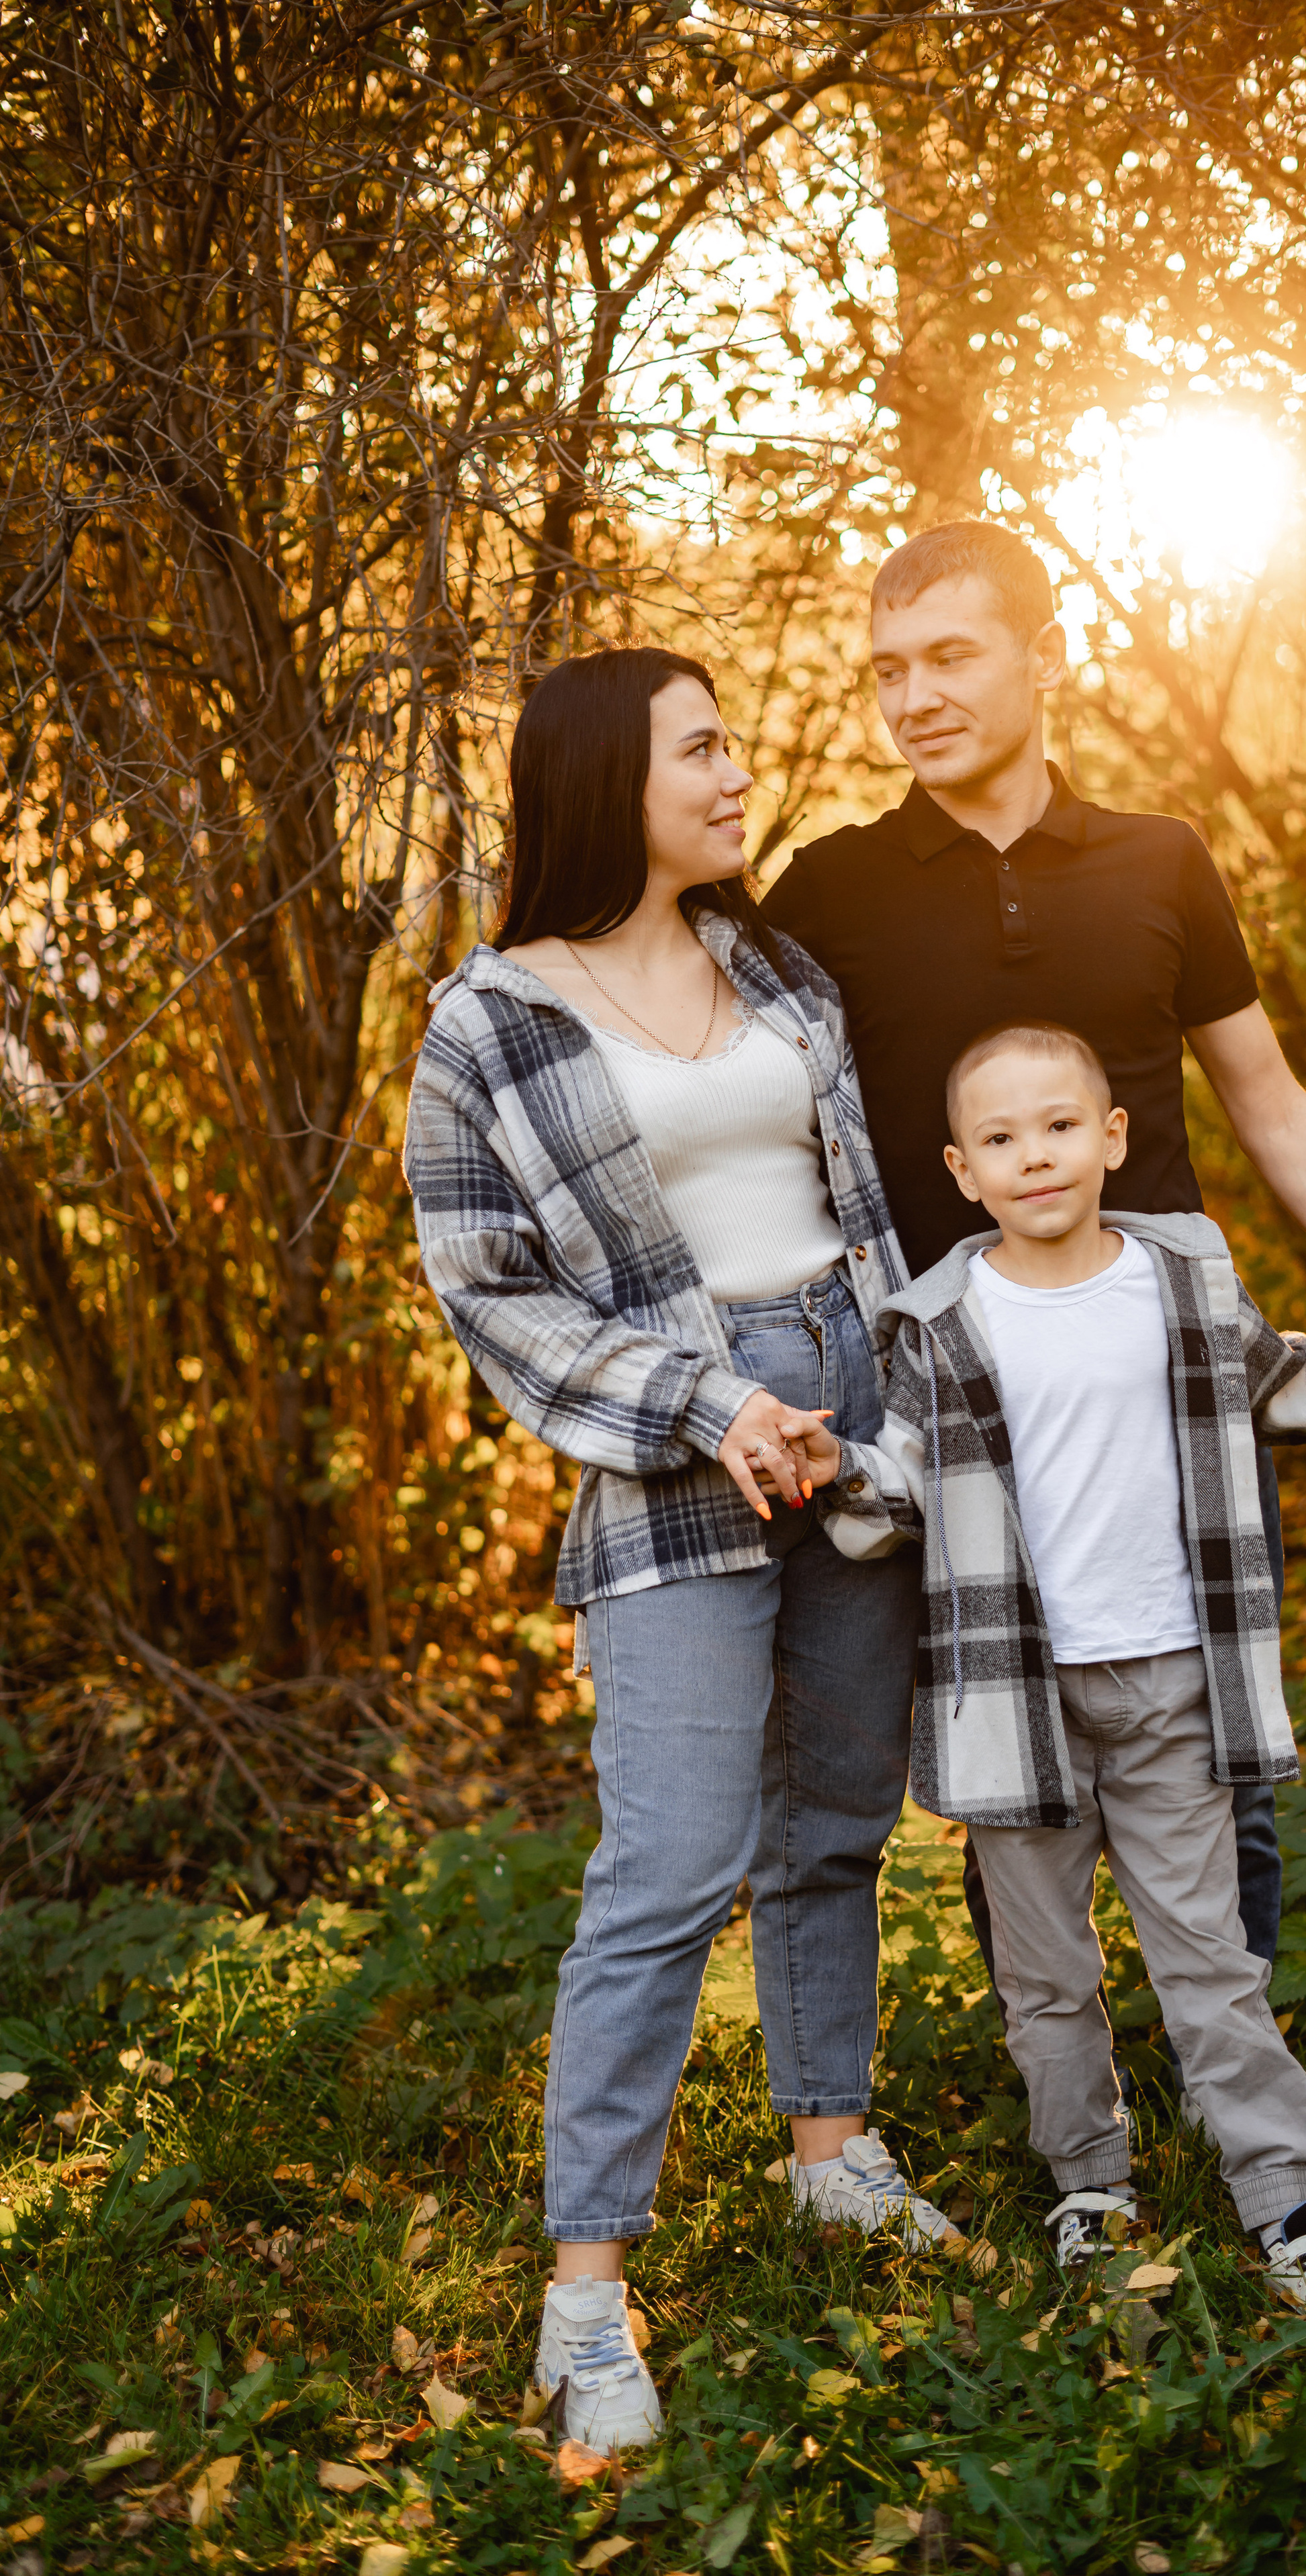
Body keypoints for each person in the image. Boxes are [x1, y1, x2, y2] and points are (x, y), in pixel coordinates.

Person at [762, 518, 1306, 2016]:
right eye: (887, 671)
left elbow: (1266, 1097)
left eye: (950, 656)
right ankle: (1068, 2106)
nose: (913, 695)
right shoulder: (830, 891)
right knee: (1005, 1735)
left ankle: (1227, 2070)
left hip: (1167, 1362)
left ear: (1043, 659)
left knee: (1212, 1729)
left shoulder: (1157, 860)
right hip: (970, 1385)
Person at [404, 648, 953, 2456]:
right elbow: (491, 1290)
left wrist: (867, 1401)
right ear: (600, 781)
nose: (738, 773)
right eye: (701, 749)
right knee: (670, 1857)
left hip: (845, 1405)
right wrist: (706, 1407)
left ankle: (829, 2144)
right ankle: (585, 2290)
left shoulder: (774, 964)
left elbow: (858, 1204)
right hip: (672, 1439)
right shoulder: (492, 1016)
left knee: (840, 1809)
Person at [794, 1020, 1306, 2301]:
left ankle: (1288, 2198)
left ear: (1114, 1136)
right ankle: (1089, 2181)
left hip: (1169, 1677)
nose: (1036, 1157)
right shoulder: (943, 1319)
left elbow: (1288, 1381)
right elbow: (897, 1479)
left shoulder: (1180, 1279)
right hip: (1016, 1697)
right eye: (1002, 1139)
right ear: (962, 1170)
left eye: (1061, 1126)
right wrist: (831, 1473)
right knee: (1047, 1972)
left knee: (1208, 1952)